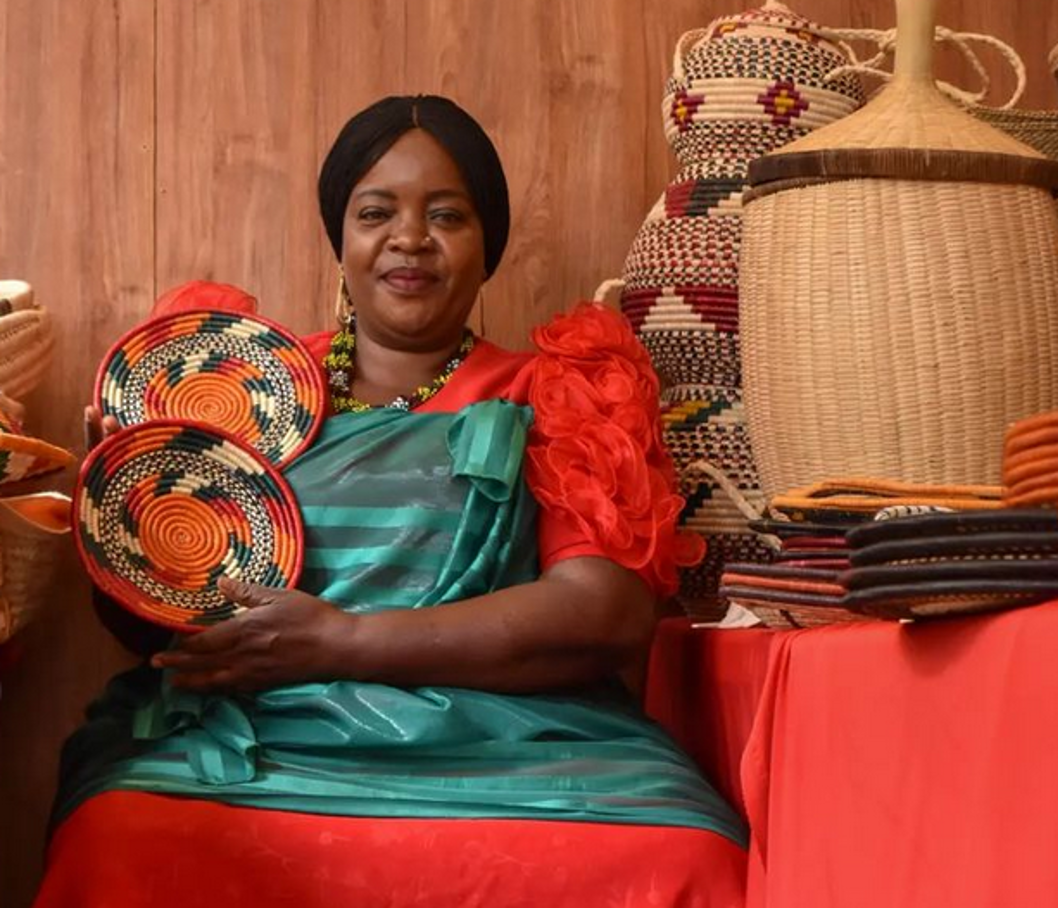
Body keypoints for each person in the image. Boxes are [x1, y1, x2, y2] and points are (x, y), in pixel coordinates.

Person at [34, 95, 747, 907]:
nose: (410, 238)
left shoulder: (558, 392)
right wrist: (123, 523)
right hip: (269, 733)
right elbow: (154, 636)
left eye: (447, 215)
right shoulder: (235, 392)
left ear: (490, 248)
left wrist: (344, 641)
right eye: (377, 212)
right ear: (341, 238)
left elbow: (605, 616)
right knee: (122, 831)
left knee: (684, 853)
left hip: (521, 739)